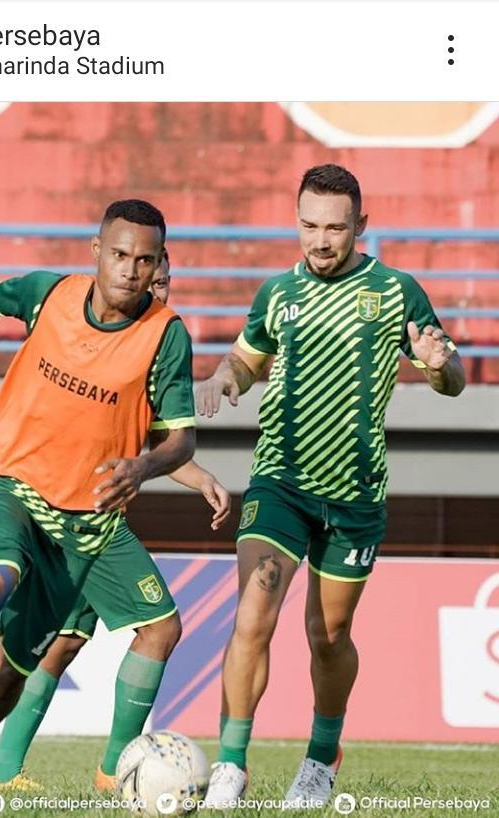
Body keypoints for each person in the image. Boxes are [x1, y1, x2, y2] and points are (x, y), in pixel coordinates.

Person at [0, 200, 198, 811]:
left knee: (14, 672)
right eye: (119, 255)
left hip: (89, 522)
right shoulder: (50, 295)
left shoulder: (166, 336)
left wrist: (143, 466)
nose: (130, 271)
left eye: (144, 260)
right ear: (96, 250)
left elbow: (181, 437)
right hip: (16, 488)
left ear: (159, 263)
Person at [196, 165, 465, 808]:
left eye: (335, 228)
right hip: (280, 483)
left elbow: (451, 374)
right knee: (252, 616)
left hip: (355, 496)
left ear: (360, 227)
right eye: (309, 225)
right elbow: (246, 357)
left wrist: (438, 366)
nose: (320, 240)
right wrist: (224, 377)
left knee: (328, 636)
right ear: (297, 223)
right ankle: (232, 765)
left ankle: (321, 755)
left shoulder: (397, 291)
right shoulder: (276, 294)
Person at [0, 252, 232, 793]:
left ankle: (58, 769)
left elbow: (152, 443)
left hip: (96, 518)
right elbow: (37, 427)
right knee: (41, 649)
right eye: (153, 279)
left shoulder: (157, 345)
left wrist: (198, 478)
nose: (157, 290)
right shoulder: (78, 320)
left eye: (163, 280)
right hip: (55, 513)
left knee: (70, 642)